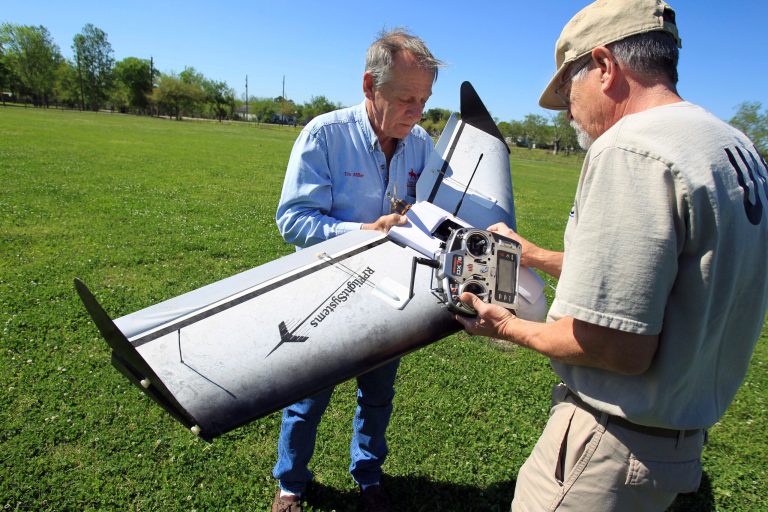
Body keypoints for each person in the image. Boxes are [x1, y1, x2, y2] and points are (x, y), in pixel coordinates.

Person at [455, 0, 768, 510]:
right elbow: (670, 277)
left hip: (608, 449)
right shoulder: (732, 144)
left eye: (567, 91)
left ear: (603, 66)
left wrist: (506, 327)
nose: (570, 112)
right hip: (675, 440)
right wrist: (538, 256)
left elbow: (616, 347)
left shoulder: (630, 147)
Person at [271, 29, 442, 512]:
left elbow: (431, 209)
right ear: (370, 86)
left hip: (390, 294)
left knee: (378, 396)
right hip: (323, 291)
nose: (417, 112)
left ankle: (368, 475)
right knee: (307, 400)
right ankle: (291, 485)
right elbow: (293, 219)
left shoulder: (422, 143)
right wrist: (366, 232)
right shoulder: (325, 135)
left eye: (424, 99)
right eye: (406, 98)